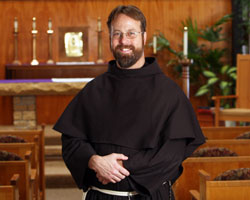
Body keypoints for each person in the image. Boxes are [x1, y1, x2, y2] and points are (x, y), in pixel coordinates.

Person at [53, 5, 205, 200]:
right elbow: (71, 141)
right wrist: (93, 161)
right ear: (109, 38)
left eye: (131, 33)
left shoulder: (169, 93)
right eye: (117, 34)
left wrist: (120, 168)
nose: (124, 41)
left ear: (144, 36)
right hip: (102, 196)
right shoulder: (94, 90)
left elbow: (171, 155)